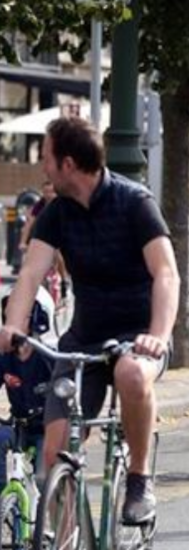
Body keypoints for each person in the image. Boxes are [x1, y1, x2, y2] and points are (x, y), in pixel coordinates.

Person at [0, 116, 176, 526]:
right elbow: (31, 273)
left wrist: (158, 336)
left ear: (68, 164)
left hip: (138, 338)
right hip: (84, 340)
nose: (42, 167)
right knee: (54, 452)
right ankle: (65, 536)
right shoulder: (57, 213)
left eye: (45, 158)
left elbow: (166, 273)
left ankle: (138, 479)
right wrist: (13, 326)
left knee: (133, 374)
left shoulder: (135, 203)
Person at [0, 290, 54, 482]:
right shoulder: (4, 356)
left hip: (45, 429)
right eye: (8, 316)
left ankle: (47, 510)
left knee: (41, 478)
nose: (11, 322)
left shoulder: (50, 357)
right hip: (18, 426)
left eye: (19, 315)